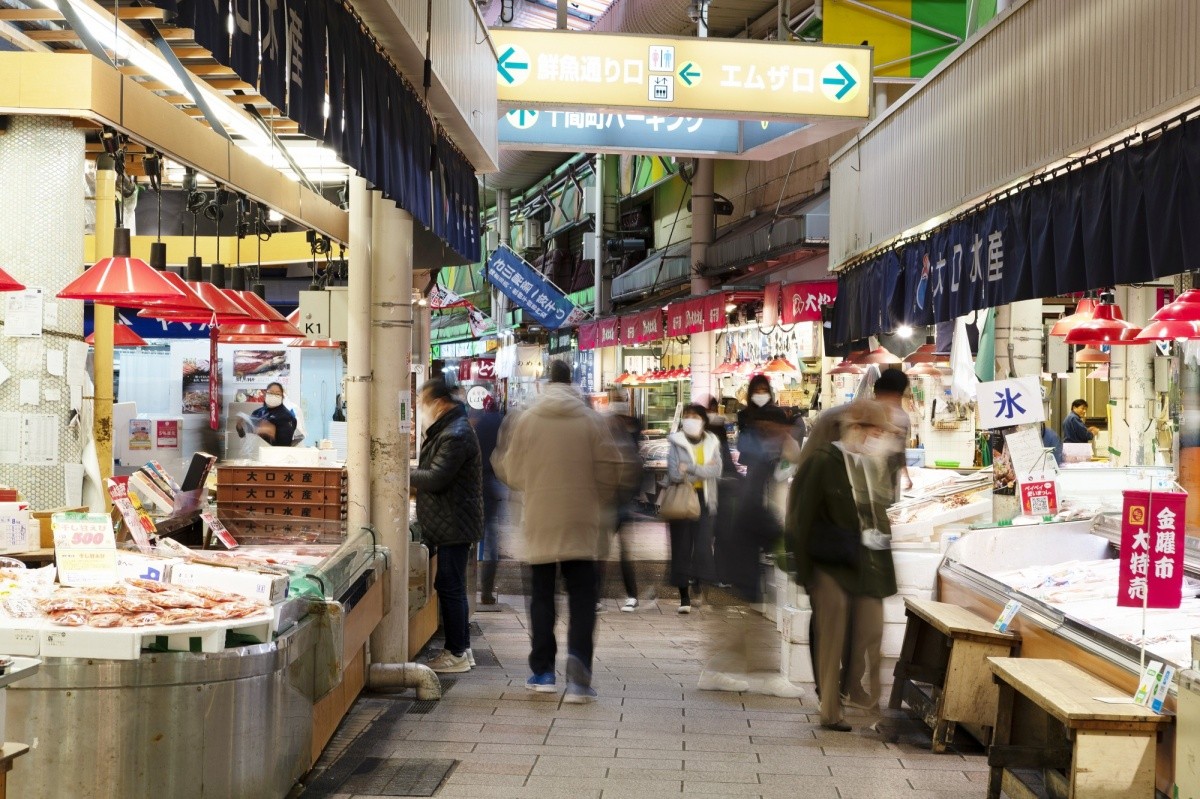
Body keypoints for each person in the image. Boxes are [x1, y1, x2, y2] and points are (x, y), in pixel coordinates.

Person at [492, 360, 628, 703]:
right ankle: (579, 671)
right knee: (582, 597)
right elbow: (612, 469)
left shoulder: (526, 418)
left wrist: (535, 483)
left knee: (541, 596)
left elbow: (509, 469)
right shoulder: (591, 420)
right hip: (582, 521)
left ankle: (543, 672)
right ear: (572, 384)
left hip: (540, 518)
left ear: (547, 383)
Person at [785, 400, 898, 732]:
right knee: (832, 633)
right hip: (828, 562)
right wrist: (803, 572)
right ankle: (830, 709)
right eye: (874, 431)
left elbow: (875, 512)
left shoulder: (868, 464)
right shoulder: (822, 461)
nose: (878, 438)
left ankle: (862, 697)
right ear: (856, 428)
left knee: (868, 630)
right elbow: (799, 518)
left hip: (859, 562)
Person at [411, 378, 484, 674]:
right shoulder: (452, 428)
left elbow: (437, 478)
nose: (421, 409)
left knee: (450, 586)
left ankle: (455, 653)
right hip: (452, 520)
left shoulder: (456, 433)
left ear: (439, 402)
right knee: (450, 584)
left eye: (423, 403)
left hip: (454, 521)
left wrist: (402, 475)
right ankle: (463, 649)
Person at [665, 404, 724, 615]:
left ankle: (700, 585)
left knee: (702, 546)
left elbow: (716, 469)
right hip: (682, 500)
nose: (691, 419)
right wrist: (702, 471)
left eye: (695, 416)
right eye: (687, 416)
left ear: (703, 420)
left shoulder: (711, 442)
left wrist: (689, 468)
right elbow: (673, 473)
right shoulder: (676, 442)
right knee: (681, 547)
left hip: (705, 499)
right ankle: (684, 596)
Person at [596, 392, 644, 612]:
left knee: (612, 552)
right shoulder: (622, 441)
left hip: (617, 503)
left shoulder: (619, 441)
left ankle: (629, 595)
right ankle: (623, 596)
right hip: (613, 503)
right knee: (605, 552)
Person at [469, 394, 504, 606]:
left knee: (475, 536)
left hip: (478, 483)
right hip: (495, 482)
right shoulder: (501, 422)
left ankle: (471, 587)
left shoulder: (478, 426)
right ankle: (487, 591)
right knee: (492, 540)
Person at [872, 368, 914, 492]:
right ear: (898, 393)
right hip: (878, 482)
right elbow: (899, 452)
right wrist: (906, 476)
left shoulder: (863, 409)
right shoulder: (900, 417)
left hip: (879, 481)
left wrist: (906, 476)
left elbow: (899, 451)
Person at [236, 382, 297, 446]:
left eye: (277, 394)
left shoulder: (287, 417)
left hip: (273, 454)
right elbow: (244, 435)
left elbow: (285, 445)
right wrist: (239, 426)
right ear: (265, 394)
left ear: (282, 397)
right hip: (256, 452)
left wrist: (271, 434)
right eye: (271, 393)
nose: (273, 396)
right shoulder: (257, 412)